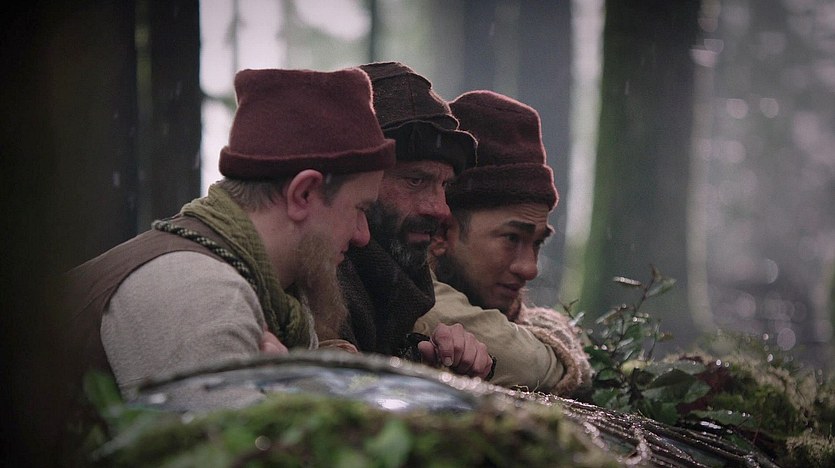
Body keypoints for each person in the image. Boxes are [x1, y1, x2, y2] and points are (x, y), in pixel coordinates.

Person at [65, 67, 396, 404]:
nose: (363, 235)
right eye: (360, 209)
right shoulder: (200, 293)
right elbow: (225, 438)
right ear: (303, 194)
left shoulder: (278, 298)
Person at [414, 90, 592, 396]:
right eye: (512, 238)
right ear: (442, 232)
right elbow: (523, 362)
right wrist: (560, 358)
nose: (530, 269)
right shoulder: (409, 293)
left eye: (537, 243)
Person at [337, 62, 494, 379]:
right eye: (415, 180)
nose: (441, 209)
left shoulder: (394, 283)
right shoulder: (318, 283)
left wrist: (431, 366)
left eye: (444, 185)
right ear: (354, 181)